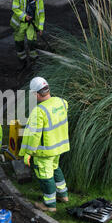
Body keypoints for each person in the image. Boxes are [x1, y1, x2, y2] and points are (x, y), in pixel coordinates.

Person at [19, 77, 69, 212]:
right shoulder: (62, 102)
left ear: (35, 94)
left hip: (45, 151)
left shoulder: (39, 111)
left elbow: (35, 135)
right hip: (59, 146)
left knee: (45, 176)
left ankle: (49, 205)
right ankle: (63, 195)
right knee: (55, 168)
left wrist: (28, 153)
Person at [10, 0, 46, 67]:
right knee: (19, 43)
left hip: (32, 24)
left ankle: (34, 61)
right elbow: (15, 7)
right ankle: (22, 62)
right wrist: (23, 16)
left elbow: (41, 14)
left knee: (32, 42)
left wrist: (40, 28)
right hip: (20, 24)